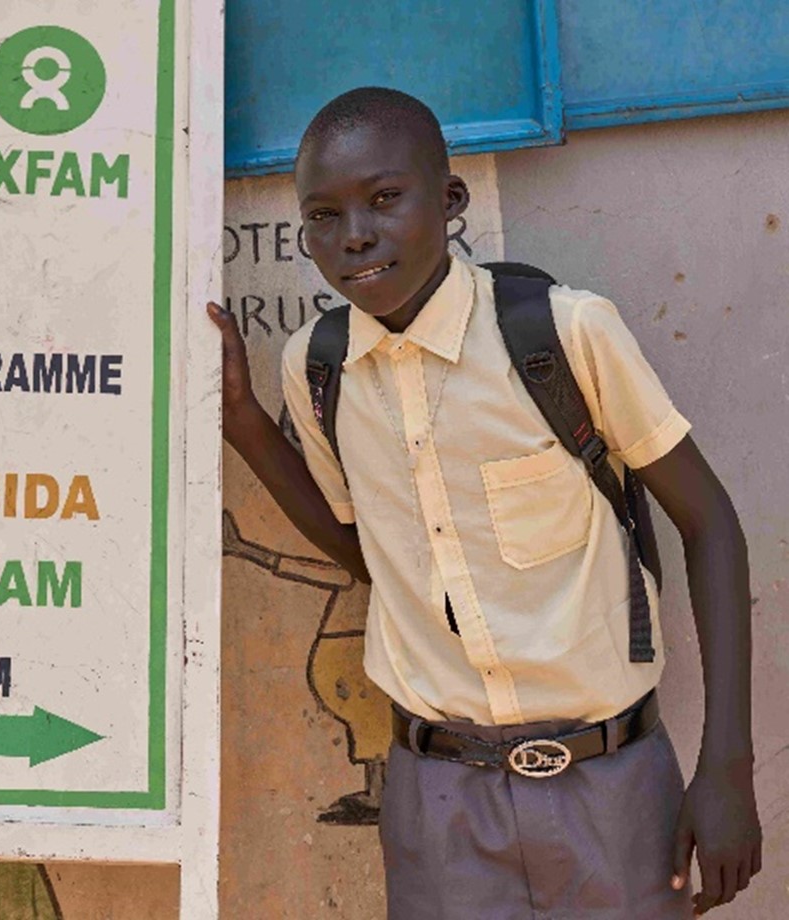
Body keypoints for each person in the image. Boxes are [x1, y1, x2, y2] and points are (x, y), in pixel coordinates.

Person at [208, 87, 761, 917]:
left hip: (609, 784)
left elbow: (709, 522)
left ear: (451, 201)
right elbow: (373, 555)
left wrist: (726, 767)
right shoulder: (317, 367)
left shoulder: (561, 335)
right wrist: (247, 425)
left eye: (385, 199)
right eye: (323, 215)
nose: (355, 233)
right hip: (436, 802)